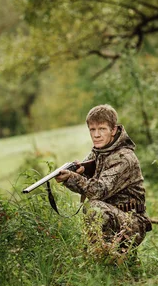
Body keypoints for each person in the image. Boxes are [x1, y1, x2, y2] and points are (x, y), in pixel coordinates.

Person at [55, 104, 151, 254]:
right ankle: (105, 258)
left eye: (102, 129)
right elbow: (87, 180)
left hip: (134, 223)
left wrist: (73, 178)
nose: (96, 135)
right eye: (92, 130)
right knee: (95, 209)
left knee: (94, 208)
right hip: (115, 217)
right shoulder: (99, 152)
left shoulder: (124, 157)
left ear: (113, 130)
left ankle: (104, 256)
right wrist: (77, 174)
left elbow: (98, 191)